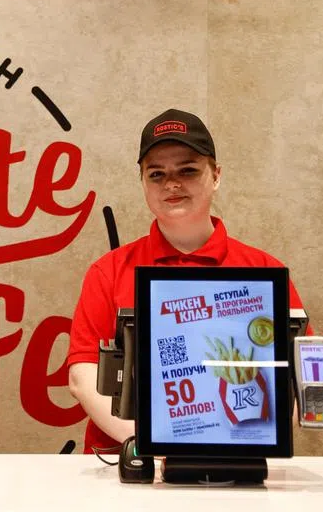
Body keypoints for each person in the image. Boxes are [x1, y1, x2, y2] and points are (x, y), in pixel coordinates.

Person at [66, 109, 306, 455]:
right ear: (143, 183)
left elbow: (296, 380)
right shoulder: (109, 271)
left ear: (216, 175)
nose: (171, 184)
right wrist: (151, 442)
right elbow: (82, 377)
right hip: (129, 466)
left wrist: (250, 440)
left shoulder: (263, 270)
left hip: (238, 463)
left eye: (188, 170)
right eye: (156, 174)